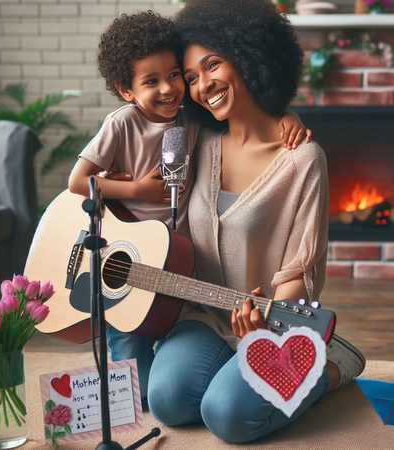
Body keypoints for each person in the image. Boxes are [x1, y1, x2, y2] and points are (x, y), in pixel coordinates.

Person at [145, 0, 366, 443]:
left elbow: (301, 270)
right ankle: (228, 368)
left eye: (213, 65)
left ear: (248, 57)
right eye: (191, 78)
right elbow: (132, 115)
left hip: (276, 322)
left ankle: (329, 366)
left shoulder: (302, 160)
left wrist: (266, 328)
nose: (204, 85)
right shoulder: (195, 142)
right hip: (203, 315)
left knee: (227, 416)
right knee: (167, 401)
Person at [67, 10, 312, 408]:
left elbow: (248, 116)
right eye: (190, 75)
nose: (175, 88)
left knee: (210, 398)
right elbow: (78, 182)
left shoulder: (193, 124)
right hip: (144, 269)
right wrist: (134, 190)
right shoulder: (144, 128)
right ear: (126, 90)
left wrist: (286, 113)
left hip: (200, 282)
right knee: (149, 391)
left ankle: (325, 365)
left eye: (179, 75)